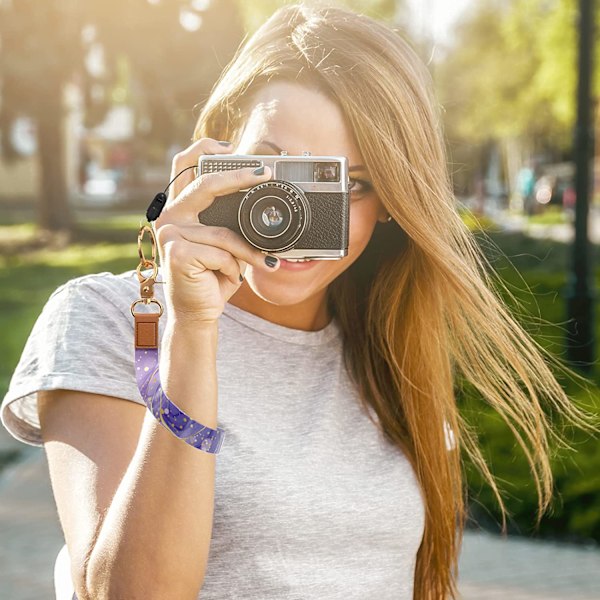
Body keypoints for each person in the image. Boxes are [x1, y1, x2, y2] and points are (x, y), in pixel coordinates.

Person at [0, 3, 594, 599]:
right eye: (276, 171)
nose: (293, 216)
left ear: (392, 196)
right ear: (220, 151)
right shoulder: (109, 320)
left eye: (347, 185)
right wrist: (191, 331)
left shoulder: (391, 341)